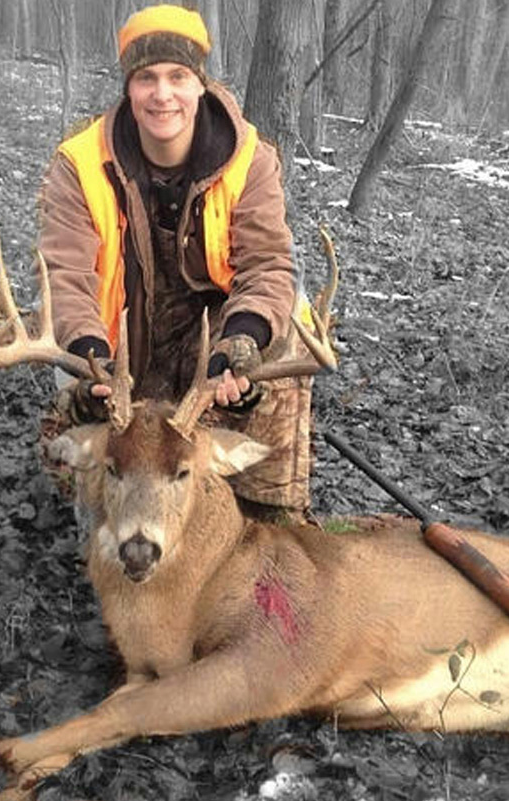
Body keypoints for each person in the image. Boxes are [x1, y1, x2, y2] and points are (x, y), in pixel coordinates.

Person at [38, 4, 313, 519]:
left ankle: (264, 512)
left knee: (289, 320)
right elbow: (65, 277)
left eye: (177, 76)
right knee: (76, 422)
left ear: (200, 84)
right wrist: (91, 360)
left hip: (209, 344)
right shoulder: (80, 163)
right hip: (118, 349)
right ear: (129, 87)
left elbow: (269, 265)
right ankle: (107, 519)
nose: (162, 94)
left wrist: (240, 345)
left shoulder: (249, 159)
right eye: (146, 78)